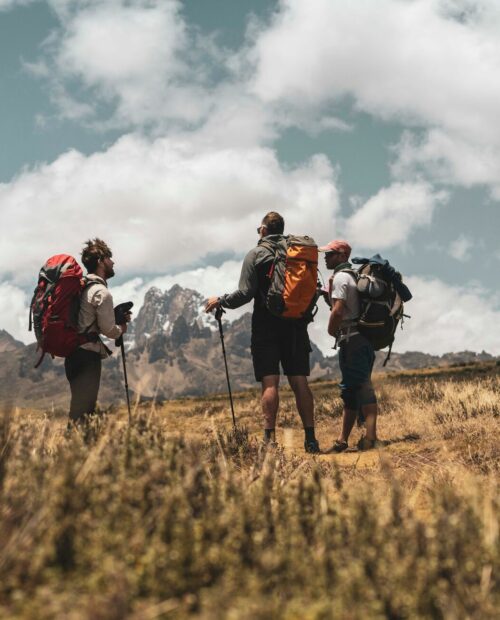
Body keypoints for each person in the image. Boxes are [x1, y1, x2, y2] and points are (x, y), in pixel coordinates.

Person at [205, 212, 320, 453]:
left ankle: (270, 441)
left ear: (264, 230)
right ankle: (311, 439)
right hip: (296, 323)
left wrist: (221, 301)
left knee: (270, 384)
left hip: (266, 325)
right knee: (300, 381)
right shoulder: (296, 252)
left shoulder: (256, 254)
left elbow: (245, 294)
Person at [320, 239, 384, 451]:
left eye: (329, 254)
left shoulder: (340, 278)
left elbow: (338, 310)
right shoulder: (352, 276)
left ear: (342, 255)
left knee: (359, 388)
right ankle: (345, 440)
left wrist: (331, 331)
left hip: (351, 340)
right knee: (356, 388)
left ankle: (368, 438)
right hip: (361, 339)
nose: (325, 257)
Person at [65, 238, 130, 424]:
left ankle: (73, 449)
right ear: (101, 261)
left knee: (79, 409)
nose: (113, 262)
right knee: (84, 413)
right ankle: (74, 451)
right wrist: (122, 328)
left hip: (73, 355)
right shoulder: (101, 292)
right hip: (87, 357)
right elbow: (109, 330)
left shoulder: (83, 287)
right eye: (109, 257)